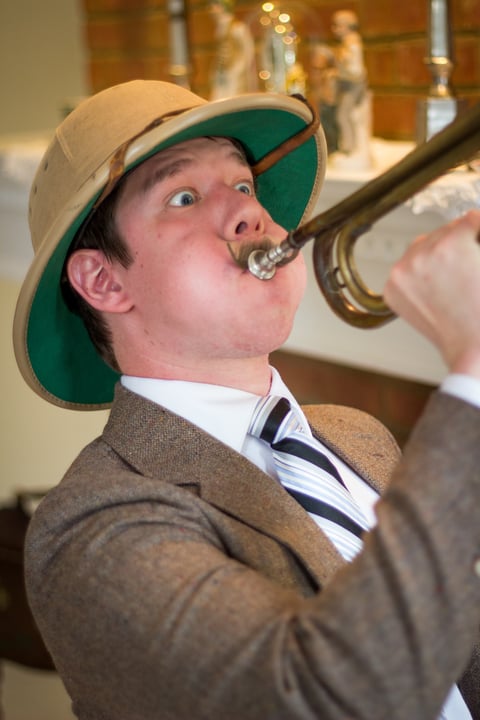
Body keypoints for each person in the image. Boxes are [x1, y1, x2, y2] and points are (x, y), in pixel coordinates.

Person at [12, 79, 480, 720]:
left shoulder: (356, 434)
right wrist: (472, 378)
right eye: (183, 196)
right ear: (103, 279)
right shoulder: (91, 526)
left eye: (244, 185)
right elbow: (328, 700)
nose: (249, 215)